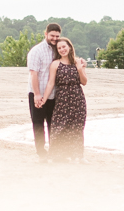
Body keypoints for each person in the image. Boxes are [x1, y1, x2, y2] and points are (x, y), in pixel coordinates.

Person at [40, 37, 88, 162]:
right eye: (59, 48)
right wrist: (44, 99)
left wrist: (79, 68)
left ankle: (78, 156)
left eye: (64, 47)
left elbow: (84, 82)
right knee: (59, 127)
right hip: (62, 100)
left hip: (78, 99)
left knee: (77, 129)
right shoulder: (55, 64)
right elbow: (51, 83)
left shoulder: (78, 62)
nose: (62, 49)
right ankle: (56, 156)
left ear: (70, 47)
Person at [27, 23, 61, 160]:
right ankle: (41, 152)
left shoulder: (57, 50)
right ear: (46, 34)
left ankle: (54, 151)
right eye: (52, 36)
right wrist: (37, 94)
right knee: (38, 123)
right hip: (37, 92)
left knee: (53, 123)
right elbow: (33, 74)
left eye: (57, 36)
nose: (54, 38)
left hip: (53, 94)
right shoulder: (36, 51)